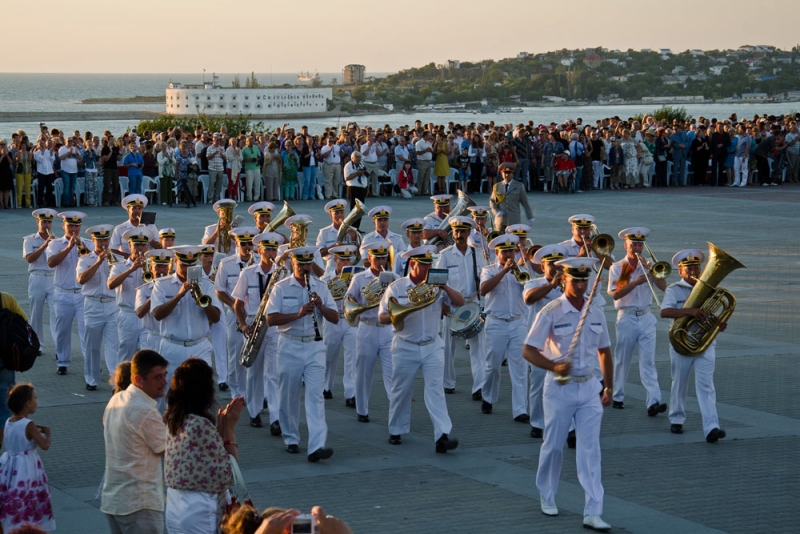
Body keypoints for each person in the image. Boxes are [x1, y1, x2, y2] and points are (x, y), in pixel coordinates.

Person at [523, 257, 614, 532]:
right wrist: (553, 365)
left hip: (589, 388)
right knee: (553, 445)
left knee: (590, 450)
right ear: (564, 279)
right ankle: (547, 494)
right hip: (560, 386)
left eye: (584, 280)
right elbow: (528, 349)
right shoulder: (551, 311)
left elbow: (605, 351)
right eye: (575, 280)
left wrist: (608, 386)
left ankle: (593, 510)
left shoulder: (595, 312)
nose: (581, 285)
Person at [378, 245, 463, 452]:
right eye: (425, 265)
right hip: (405, 345)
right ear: (413, 265)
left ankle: (442, 435)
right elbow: (381, 317)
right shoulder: (397, 287)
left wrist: (445, 289)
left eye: (430, 264)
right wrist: (403, 311)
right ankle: (396, 429)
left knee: (436, 391)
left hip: (432, 345)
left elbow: (459, 302)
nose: (429, 269)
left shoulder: (436, 286)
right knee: (401, 390)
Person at [266, 247, 338, 462]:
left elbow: (334, 318)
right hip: (290, 345)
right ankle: (291, 438)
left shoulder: (321, 287)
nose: (306, 269)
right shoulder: (280, 288)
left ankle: (317, 445)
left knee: (315, 397)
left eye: (309, 264)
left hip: (315, 346)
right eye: (301, 265)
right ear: (292, 264)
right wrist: (298, 314)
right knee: (289, 395)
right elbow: (271, 319)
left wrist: (321, 307)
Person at [163, 359, 244, 533]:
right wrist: (229, 428)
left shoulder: (174, 420)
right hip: (200, 511)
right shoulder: (200, 425)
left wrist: (220, 430)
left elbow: (206, 456)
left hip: (176, 508)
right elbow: (229, 472)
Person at [662, 249, 727, 443]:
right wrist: (689, 311)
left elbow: (714, 312)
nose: (693, 271)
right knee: (680, 382)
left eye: (696, 267)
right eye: (688, 268)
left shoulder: (710, 289)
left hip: (704, 343)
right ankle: (676, 418)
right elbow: (664, 312)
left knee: (706, 386)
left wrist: (719, 323)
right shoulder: (673, 290)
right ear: (680, 271)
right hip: (681, 343)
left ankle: (711, 427)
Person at [101, 349, 169, 534]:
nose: (164, 382)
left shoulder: (116, 399)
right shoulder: (145, 411)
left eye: (165, 375)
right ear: (139, 380)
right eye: (157, 377)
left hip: (114, 500)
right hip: (140, 505)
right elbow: (170, 451)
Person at [607, 227, 667, 414]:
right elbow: (616, 294)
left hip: (647, 317)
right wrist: (634, 282)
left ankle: (653, 401)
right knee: (622, 360)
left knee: (648, 361)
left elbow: (664, 287)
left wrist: (651, 271)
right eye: (633, 244)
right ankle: (617, 396)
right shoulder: (618, 267)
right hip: (626, 317)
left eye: (640, 244)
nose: (637, 248)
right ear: (625, 245)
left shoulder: (649, 265)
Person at [151, 246, 222, 393]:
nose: (187, 269)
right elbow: (157, 314)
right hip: (172, 347)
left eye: (191, 265)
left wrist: (204, 303)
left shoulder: (206, 284)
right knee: (170, 393)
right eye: (184, 264)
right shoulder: (162, 285)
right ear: (176, 261)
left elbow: (216, 318)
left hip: (200, 346)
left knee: (203, 392)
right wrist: (179, 295)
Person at [233, 232, 285, 433]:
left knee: (273, 373)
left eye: (274, 249)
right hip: (254, 324)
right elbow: (237, 303)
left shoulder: (281, 273)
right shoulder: (247, 273)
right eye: (268, 249)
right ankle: (254, 412)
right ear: (259, 250)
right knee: (253, 372)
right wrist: (243, 324)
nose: (271, 253)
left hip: (273, 327)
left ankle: (275, 417)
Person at [434, 216, 487, 399]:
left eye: (463, 231)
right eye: (456, 231)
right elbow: (438, 282)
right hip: (452, 306)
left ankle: (479, 386)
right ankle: (448, 382)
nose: (459, 234)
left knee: (478, 348)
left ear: (469, 233)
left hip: (472, 305)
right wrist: (441, 303)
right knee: (448, 348)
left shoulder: (477, 253)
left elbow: (483, 278)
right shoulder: (445, 255)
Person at [479, 234, 530, 421]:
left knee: (520, 369)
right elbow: (483, 289)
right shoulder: (489, 270)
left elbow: (530, 291)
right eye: (505, 251)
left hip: (518, 322)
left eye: (511, 251)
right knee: (492, 366)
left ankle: (520, 410)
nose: (509, 255)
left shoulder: (522, 270)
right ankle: (488, 397)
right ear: (497, 253)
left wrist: (521, 271)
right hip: (496, 323)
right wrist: (504, 272)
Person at [346, 241, 398, 422]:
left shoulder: (394, 277)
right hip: (367, 327)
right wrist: (356, 302)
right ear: (369, 259)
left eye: (384, 257)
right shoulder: (359, 279)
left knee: (392, 372)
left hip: (387, 330)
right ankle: (362, 410)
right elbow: (349, 300)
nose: (381, 261)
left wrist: (393, 286)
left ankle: (396, 409)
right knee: (363, 372)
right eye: (377, 258)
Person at [523, 244, 568, 438]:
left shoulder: (569, 285)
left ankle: (568, 424)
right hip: (540, 344)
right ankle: (538, 422)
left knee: (566, 385)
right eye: (551, 264)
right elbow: (529, 299)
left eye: (559, 265)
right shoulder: (533, 283)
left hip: (562, 343)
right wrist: (551, 285)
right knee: (538, 383)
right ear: (543, 267)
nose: (556, 268)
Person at [0, 383, 56, 532]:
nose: (36, 401)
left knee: (12, 496)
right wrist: (48, 433)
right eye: (35, 398)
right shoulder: (29, 425)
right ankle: (31, 526)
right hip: (27, 468)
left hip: (10, 466)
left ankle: (11, 525)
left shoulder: (8, 421)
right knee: (30, 497)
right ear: (27, 403)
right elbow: (44, 445)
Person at [215, 227, 260, 400]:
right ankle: (237, 391)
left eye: (250, 243)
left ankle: (255, 392)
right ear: (236, 244)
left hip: (255, 314)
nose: (248, 247)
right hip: (234, 314)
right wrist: (235, 304)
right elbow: (219, 290)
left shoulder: (258, 263)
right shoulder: (226, 264)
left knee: (257, 353)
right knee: (235, 353)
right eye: (244, 244)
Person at [46, 211, 91, 376]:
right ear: (63, 225)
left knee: (86, 329)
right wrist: (69, 247)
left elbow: (93, 262)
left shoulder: (88, 244)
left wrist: (80, 247)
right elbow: (51, 263)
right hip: (62, 293)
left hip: (82, 293)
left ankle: (90, 362)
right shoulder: (55, 244)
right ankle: (63, 362)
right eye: (70, 225)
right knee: (62, 330)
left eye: (76, 226)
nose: (74, 229)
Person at [76, 224, 120, 391]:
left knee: (113, 345)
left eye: (106, 239)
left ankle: (116, 380)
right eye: (99, 240)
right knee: (92, 345)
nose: (103, 243)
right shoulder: (85, 259)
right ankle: (91, 379)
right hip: (92, 304)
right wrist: (98, 261)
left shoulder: (117, 259)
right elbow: (81, 280)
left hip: (112, 304)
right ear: (93, 240)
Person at [319, 245, 359, 407]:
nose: (346, 262)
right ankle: (325, 386)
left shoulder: (356, 277)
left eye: (348, 259)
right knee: (329, 354)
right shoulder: (326, 280)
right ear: (335, 260)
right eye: (342, 259)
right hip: (332, 320)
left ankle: (351, 392)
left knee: (352, 357)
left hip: (350, 320)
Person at [108, 228, 153, 364]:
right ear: (129, 246)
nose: (140, 248)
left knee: (149, 352)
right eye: (136, 245)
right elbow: (110, 284)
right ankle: (121, 382)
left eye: (143, 245)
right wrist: (131, 269)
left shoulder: (153, 266)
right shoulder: (120, 266)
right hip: (128, 315)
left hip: (147, 314)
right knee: (126, 352)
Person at [22, 209, 58, 355]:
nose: (46, 225)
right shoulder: (29, 239)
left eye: (49, 222)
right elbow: (30, 258)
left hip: (53, 278)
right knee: (36, 314)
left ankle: (59, 347)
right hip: (37, 277)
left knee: (56, 313)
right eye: (44, 222)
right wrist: (44, 245)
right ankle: (37, 345)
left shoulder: (57, 240)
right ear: (38, 222)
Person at [134, 249, 174, 352]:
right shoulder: (143, 289)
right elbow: (139, 313)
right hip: (154, 337)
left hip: (173, 337)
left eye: (165, 266)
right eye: (158, 267)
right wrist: (155, 295)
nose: (162, 270)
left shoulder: (176, 288)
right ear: (151, 268)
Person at [490, 162, 534, 231]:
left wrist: (530, 216)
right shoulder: (497, 187)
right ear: (502, 174)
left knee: (513, 240)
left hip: (514, 220)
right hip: (500, 220)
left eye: (509, 173)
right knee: (500, 240)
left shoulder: (519, 186)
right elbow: (492, 201)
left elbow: (525, 203)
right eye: (505, 173)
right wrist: (496, 211)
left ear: (512, 174)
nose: (507, 175)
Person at [342, 152, 368, 231]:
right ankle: (351, 227)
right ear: (352, 158)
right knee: (354, 209)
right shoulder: (348, 166)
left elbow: (365, 175)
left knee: (360, 209)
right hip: (353, 188)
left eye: (360, 157)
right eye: (357, 157)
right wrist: (357, 173)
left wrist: (366, 172)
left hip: (361, 187)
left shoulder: (361, 164)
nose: (359, 159)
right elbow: (347, 178)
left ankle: (357, 227)